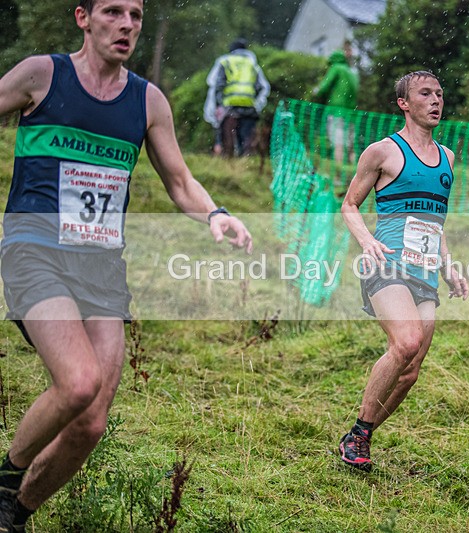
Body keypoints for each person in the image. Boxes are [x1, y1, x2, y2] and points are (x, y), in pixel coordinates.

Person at [0, 1, 253, 530]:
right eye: (113, 12)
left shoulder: (147, 101)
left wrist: (216, 214)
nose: (127, 25)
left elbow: (180, 182)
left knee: (90, 423)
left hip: (100, 268)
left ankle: (14, 513)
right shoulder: (41, 75)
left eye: (136, 15)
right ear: (83, 18)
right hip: (35, 252)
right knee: (77, 383)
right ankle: (4, 479)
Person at [338, 71, 469, 472]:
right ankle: (359, 432)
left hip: (425, 272)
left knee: (410, 371)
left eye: (440, 94)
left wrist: (449, 266)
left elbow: (435, 224)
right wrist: (367, 242)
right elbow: (349, 205)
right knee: (407, 341)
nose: (435, 101)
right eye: (425, 94)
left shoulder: (447, 158)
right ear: (404, 103)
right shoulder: (382, 152)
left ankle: (359, 437)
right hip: (386, 263)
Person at [207, 38, 269, 157]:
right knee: (246, 138)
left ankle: (230, 165)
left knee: (228, 140)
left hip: (230, 107)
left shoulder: (226, 62)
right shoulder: (252, 64)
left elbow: (218, 85)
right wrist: (256, 102)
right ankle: (246, 163)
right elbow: (261, 86)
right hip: (249, 107)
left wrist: (219, 105)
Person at [312, 47, 359, 166]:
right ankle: (353, 172)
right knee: (350, 145)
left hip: (336, 110)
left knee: (338, 143)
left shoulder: (336, 68)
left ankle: (338, 173)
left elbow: (324, 86)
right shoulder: (351, 72)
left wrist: (315, 91)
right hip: (351, 113)